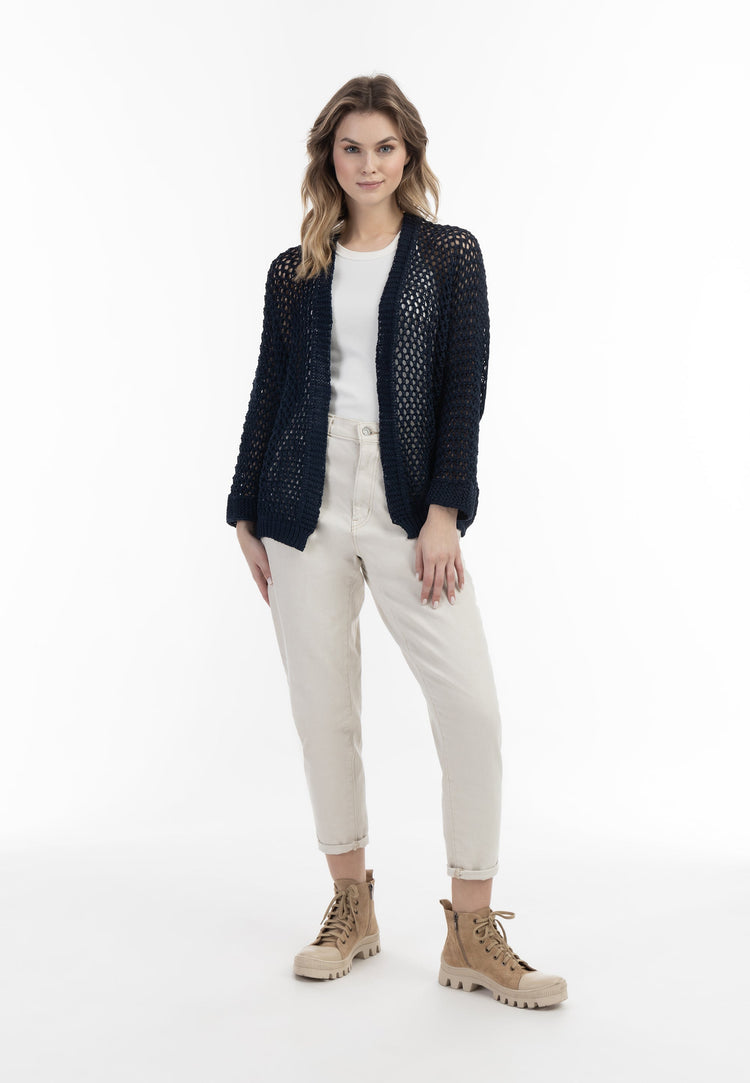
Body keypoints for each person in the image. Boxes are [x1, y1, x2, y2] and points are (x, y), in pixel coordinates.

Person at [226, 74, 567, 1009]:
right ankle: (352, 905)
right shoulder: (294, 269)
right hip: (300, 501)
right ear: (328, 158)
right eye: (352, 148)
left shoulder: (450, 257)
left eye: (384, 147)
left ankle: (472, 927)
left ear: (408, 154)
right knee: (322, 709)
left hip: (409, 503)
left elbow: (466, 386)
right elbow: (268, 388)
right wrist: (244, 510)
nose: (368, 164)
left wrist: (445, 511)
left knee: (472, 708)